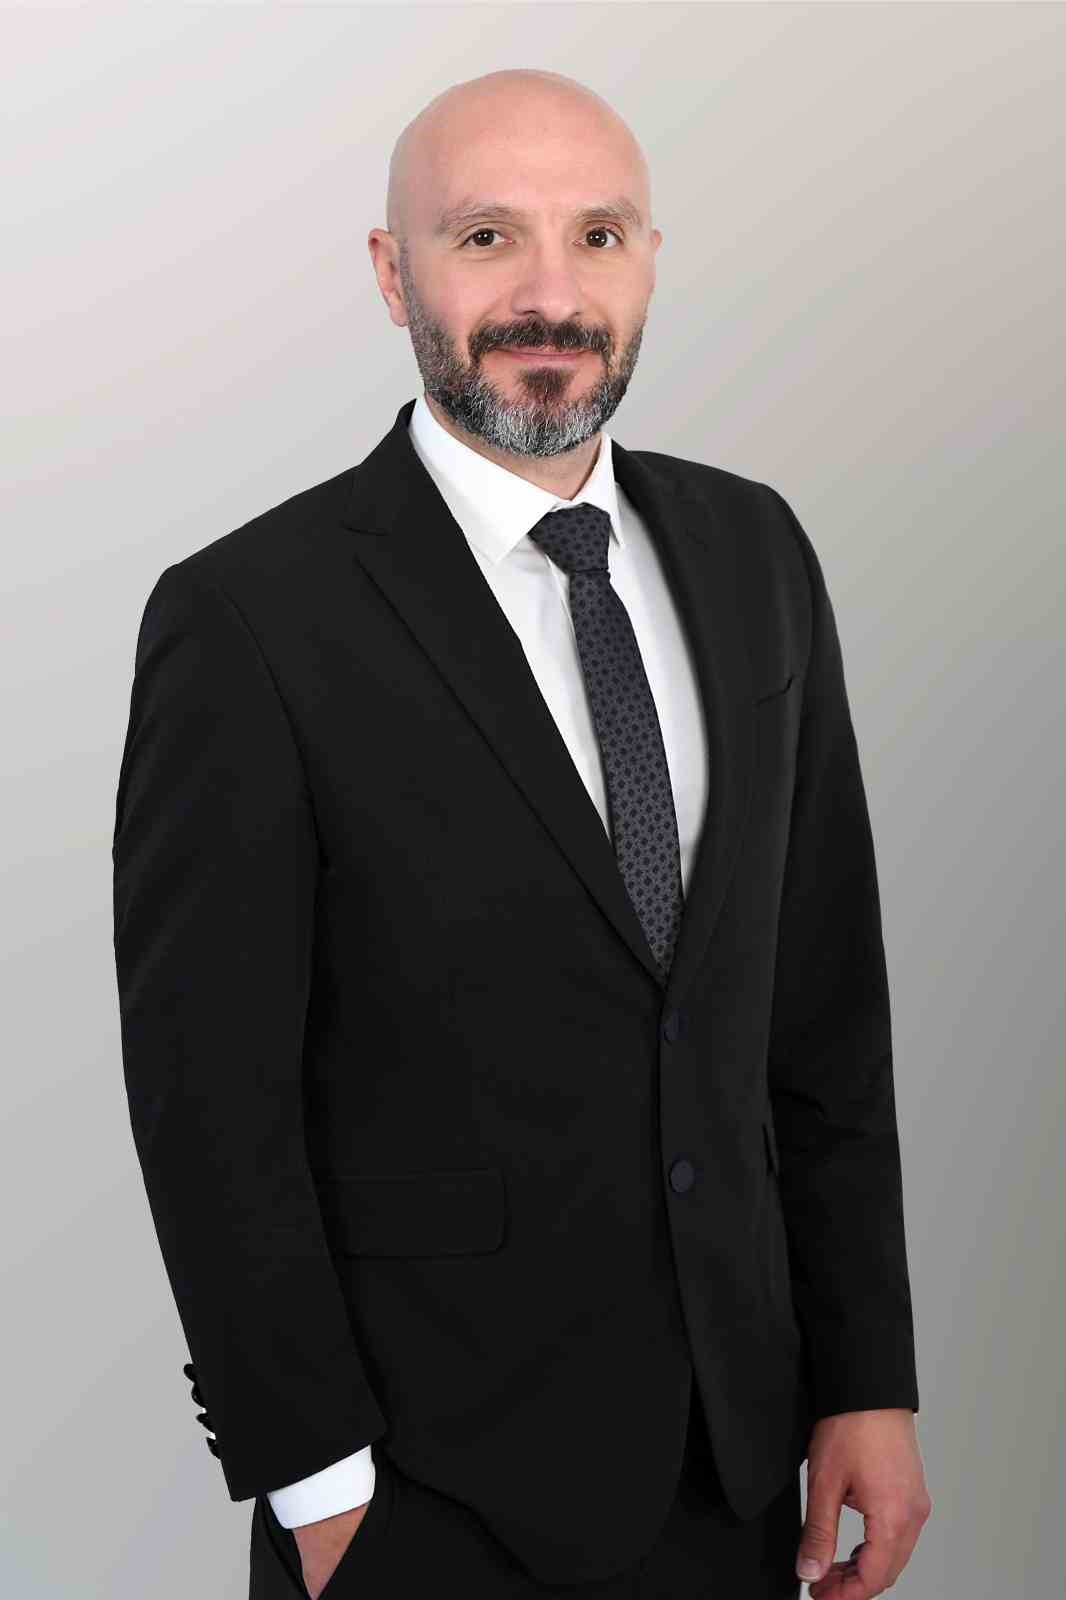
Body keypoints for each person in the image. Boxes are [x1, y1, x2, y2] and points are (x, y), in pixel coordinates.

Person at [112, 67, 932, 1600]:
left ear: (647, 263)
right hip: (423, 1491)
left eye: (596, 236)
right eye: (486, 237)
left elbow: (822, 1017)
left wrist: (863, 1380)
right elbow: (207, 1107)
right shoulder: (250, 619)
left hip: (733, 1465)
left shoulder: (754, 552)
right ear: (392, 272)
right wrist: (322, 1492)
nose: (550, 295)